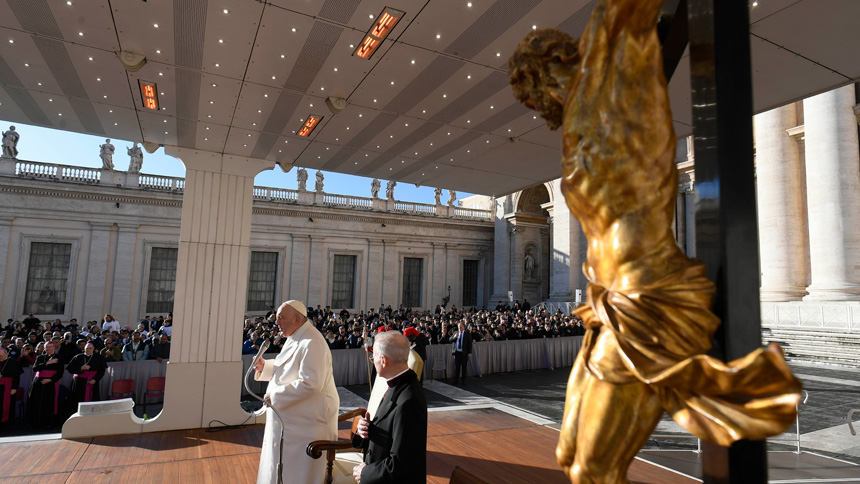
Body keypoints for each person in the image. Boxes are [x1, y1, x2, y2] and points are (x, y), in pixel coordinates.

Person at [508, 2, 802, 481]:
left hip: (648, 299)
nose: (539, 107)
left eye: (535, 91)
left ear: (551, 69)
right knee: (568, 453)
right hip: (608, 305)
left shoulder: (614, 77)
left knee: (592, 468)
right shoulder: (582, 116)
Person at [252, 300, 339, 484]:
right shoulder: (296, 335)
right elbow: (288, 367)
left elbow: (311, 383)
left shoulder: (312, 342)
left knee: (296, 475)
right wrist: (265, 367)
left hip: (307, 426)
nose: (277, 323)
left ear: (297, 319)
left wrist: (275, 396)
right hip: (294, 419)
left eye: (281, 318)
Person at [352, 331, 427, 483]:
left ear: (384, 361)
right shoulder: (395, 386)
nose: (373, 361)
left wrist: (366, 473)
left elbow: (401, 464)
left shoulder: (408, 401)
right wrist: (365, 430)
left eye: (374, 358)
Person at [27, 341, 64, 427]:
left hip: (51, 383)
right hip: (38, 382)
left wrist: (50, 380)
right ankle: (36, 422)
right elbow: (35, 368)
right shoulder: (40, 357)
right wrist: (47, 363)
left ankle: (48, 422)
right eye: (47, 347)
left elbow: (60, 373)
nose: (49, 349)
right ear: (44, 348)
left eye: (51, 347)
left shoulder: (59, 357)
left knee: (49, 402)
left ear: (54, 348)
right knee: (36, 401)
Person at [65, 342, 107, 414]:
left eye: (90, 348)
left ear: (93, 349)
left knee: (92, 399)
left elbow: (102, 371)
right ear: (84, 349)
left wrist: (95, 379)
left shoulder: (100, 358)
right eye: (87, 348)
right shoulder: (78, 357)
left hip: (92, 382)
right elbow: (70, 369)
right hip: (79, 383)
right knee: (77, 400)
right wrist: (81, 368)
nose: (88, 350)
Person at [0, 347, 23, 426]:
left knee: (8, 405)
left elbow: (17, 377)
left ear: (6, 354)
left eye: (2, 356)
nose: (0, 358)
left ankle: (7, 423)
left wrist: (14, 388)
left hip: (8, 387)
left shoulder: (13, 363)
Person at [449, 320, 472, 385]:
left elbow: (470, 344)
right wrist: (454, 337)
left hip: (464, 353)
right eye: (459, 327)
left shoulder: (467, 334)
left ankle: (464, 381)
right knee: (457, 367)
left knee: (464, 367)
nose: (460, 328)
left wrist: (469, 352)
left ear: (464, 327)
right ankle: (456, 380)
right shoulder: (456, 332)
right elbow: (450, 339)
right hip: (457, 353)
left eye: (461, 327)